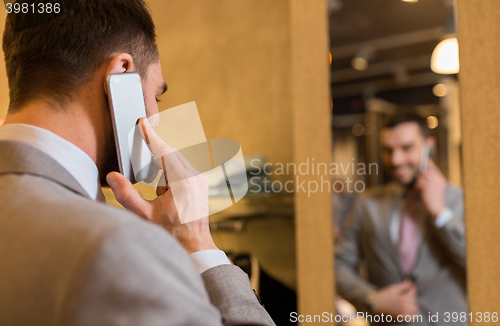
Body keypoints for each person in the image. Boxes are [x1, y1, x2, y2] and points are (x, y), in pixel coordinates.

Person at [0, 1, 275, 325]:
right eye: (156, 96)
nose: (155, 116)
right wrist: (197, 241)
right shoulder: (118, 249)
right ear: (121, 73)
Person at [335, 113, 466, 325]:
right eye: (388, 150)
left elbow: (482, 265)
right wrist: (372, 299)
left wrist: (440, 212)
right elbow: (338, 266)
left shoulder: (461, 200)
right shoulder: (367, 204)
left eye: (407, 148)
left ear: (429, 146)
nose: (396, 160)